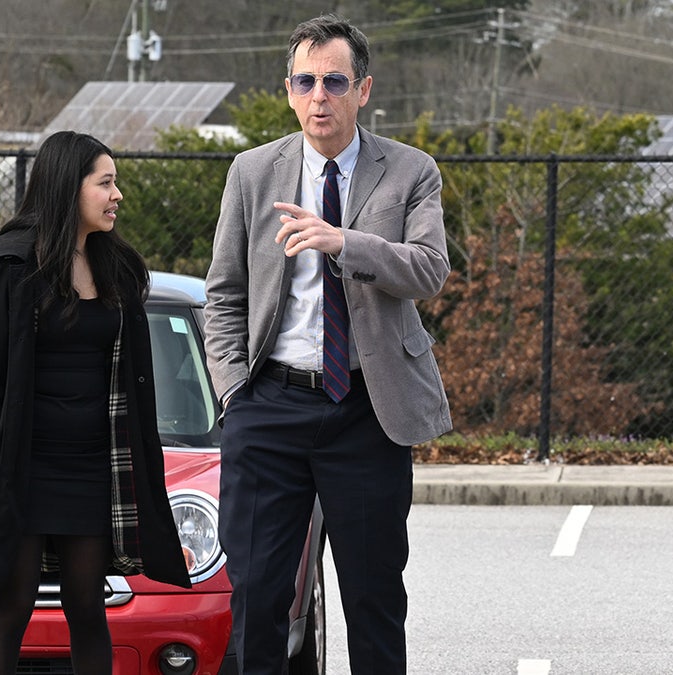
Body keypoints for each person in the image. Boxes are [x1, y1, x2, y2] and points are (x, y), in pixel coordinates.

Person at [203, 14, 452, 675]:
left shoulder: (409, 171)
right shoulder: (254, 172)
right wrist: (235, 392)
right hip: (270, 407)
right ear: (289, 90)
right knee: (256, 595)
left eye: (334, 80)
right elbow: (223, 294)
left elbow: (430, 267)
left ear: (362, 90)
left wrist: (345, 242)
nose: (320, 95)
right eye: (306, 81)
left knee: (371, 600)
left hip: (366, 412)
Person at [0, 130, 192, 675]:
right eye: (105, 183)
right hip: (21, 470)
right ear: (67, 188)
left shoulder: (116, 267)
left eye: (115, 182)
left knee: (87, 607)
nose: (117, 194)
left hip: (94, 470)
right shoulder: (11, 265)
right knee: (11, 609)